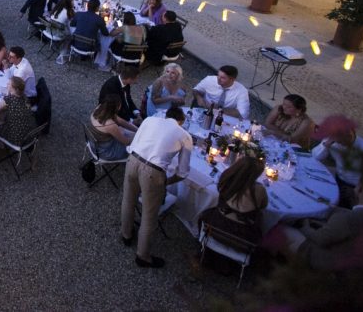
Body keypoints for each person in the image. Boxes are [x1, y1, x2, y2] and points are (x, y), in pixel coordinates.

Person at [120, 106, 192, 268]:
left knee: (128, 200)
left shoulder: (150, 120)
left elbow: (134, 142)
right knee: (149, 215)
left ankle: (126, 235)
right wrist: (167, 181)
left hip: (132, 160)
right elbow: (182, 172)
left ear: (166, 116)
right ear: (181, 121)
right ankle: (143, 256)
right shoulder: (184, 136)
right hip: (153, 172)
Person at [278, 172, 363, 271]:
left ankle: (293, 267)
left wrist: (303, 226)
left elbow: (319, 238)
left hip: (331, 260)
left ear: (360, 189)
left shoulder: (346, 219)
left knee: (283, 229)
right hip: (356, 255)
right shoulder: (358, 215)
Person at [197, 156, 269, 247]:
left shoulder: (226, 179)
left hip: (217, 225)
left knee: (203, 216)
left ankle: (202, 247)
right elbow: (263, 206)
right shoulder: (259, 189)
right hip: (243, 236)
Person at [312, 115, 363, 208]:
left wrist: (358, 190)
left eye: (340, 140)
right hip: (337, 179)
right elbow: (315, 157)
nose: (338, 142)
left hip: (355, 187)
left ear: (350, 133)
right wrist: (325, 145)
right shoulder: (333, 140)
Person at [0, 76, 39, 146]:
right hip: (29, 135)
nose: (7, 84)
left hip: (17, 139)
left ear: (15, 89)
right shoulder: (25, 97)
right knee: (4, 115)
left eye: (9, 84)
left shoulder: (9, 99)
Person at [89, 95, 134, 160]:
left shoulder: (98, 109)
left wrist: (137, 129)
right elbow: (127, 142)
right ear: (117, 108)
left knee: (125, 131)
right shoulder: (110, 125)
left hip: (93, 144)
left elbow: (120, 121)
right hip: (105, 152)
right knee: (136, 148)